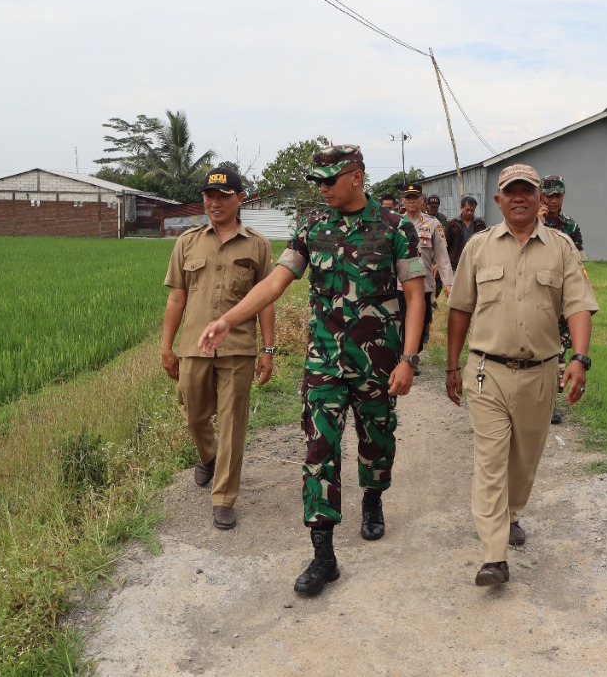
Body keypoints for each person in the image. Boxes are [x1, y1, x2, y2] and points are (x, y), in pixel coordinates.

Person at [198, 144, 426, 597]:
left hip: (377, 364)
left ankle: (373, 497)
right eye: (317, 180)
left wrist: (409, 359)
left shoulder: (396, 228)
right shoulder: (311, 228)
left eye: (330, 179)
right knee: (319, 451)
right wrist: (228, 319)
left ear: (357, 177)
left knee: (377, 441)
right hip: (324, 361)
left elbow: (416, 296)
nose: (321, 188)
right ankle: (323, 555)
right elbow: (275, 283)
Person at [446, 164, 599, 587]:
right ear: (498, 201)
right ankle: (494, 557)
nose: (519, 198)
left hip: (541, 372)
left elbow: (579, 306)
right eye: (510, 191)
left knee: (523, 461)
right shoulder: (478, 246)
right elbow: (460, 308)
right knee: (490, 460)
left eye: (527, 192)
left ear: (539, 200)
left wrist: (580, 358)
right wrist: (451, 365)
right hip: (486, 371)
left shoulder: (562, 247)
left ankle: (510, 513)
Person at [161, 166, 276, 531]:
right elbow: (176, 298)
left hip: (238, 347)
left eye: (223, 196)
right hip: (194, 345)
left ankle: (224, 497)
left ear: (240, 199)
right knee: (195, 414)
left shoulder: (257, 244)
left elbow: (267, 301)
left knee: (232, 423)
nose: (215, 202)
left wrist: (268, 350)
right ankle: (207, 456)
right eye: (209, 196)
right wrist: (167, 347)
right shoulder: (188, 242)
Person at [538, 174, 586, 426]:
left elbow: (579, 264)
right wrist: (539, 223)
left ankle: (551, 404)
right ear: (541, 195)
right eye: (548, 195)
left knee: (557, 353)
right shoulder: (532, 221)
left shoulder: (571, 226)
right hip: (536, 296)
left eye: (558, 195)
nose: (553, 200)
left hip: (561, 298)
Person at [400, 184, 453, 367]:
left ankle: (413, 354)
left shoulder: (432, 224)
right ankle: (405, 359)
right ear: (403, 201)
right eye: (408, 197)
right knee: (399, 323)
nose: (412, 201)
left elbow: (442, 256)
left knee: (422, 325)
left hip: (424, 284)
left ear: (422, 200)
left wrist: (448, 283)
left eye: (415, 197)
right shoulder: (395, 223)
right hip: (400, 284)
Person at [444, 196, 487, 270]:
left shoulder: (480, 224)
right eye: (467, 210)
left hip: (474, 263)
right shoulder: (452, 224)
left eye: (472, 210)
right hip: (455, 264)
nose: (469, 213)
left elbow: (484, 244)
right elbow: (445, 245)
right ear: (462, 208)